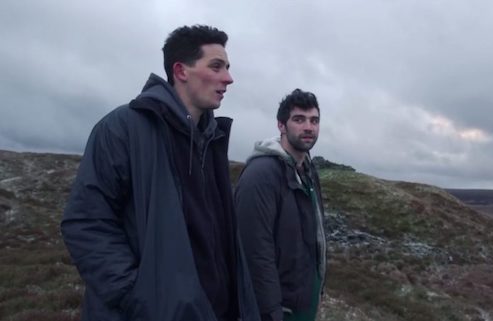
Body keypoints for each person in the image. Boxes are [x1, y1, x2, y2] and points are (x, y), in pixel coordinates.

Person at [61, 25, 259, 321]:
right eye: (216, 66)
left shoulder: (212, 139)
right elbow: (85, 222)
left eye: (228, 68)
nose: (228, 78)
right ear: (181, 71)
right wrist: (137, 297)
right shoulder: (122, 128)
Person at [235, 89, 327, 321]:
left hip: (305, 303)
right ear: (281, 125)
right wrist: (271, 312)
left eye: (314, 120)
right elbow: (254, 252)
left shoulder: (308, 170)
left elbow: (315, 239)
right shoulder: (261, 175)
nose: (308, 127)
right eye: (299, 119)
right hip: (278, 311)